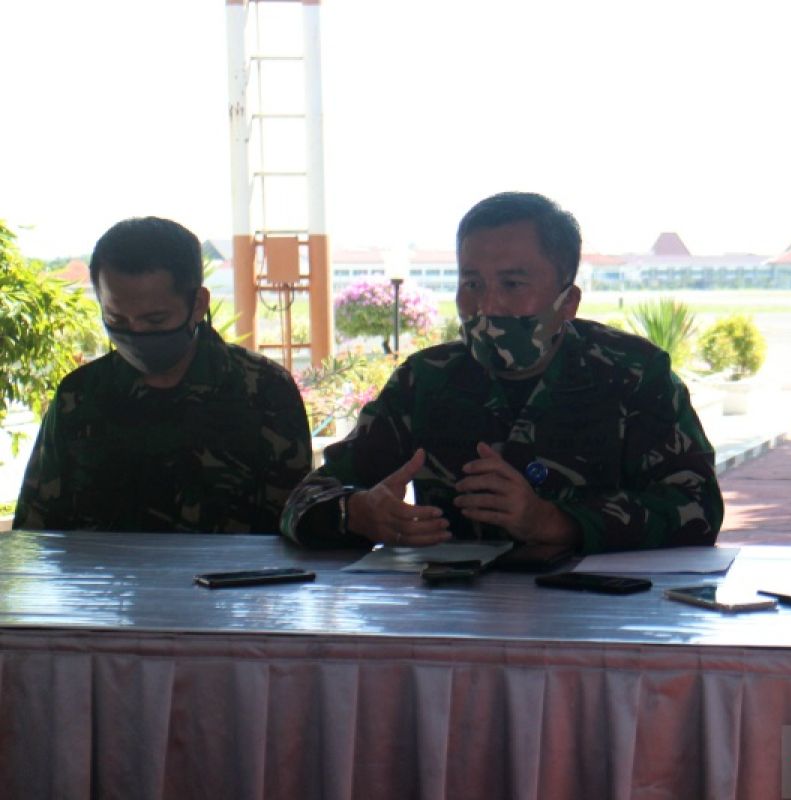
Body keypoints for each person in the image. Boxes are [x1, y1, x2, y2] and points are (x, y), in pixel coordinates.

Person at [282, 191, 722, 552]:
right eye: (471, 284)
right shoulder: (425, 380)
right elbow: (302, 500)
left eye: (512, 284)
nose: (487, 306)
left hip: (593, 627)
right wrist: (357, 512)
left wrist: (557, 523)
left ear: (568, 301)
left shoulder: (634, 375)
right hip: (455, 628)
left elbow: (698, 509)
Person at [15, 216, 312, 534]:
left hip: (231, 583)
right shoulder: (80, 394)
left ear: (198, 304)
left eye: (155, 320)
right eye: (117, 318)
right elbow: (36, 531)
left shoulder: (264, 390)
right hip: (106, 583)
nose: (136, 333)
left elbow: (294, 529)